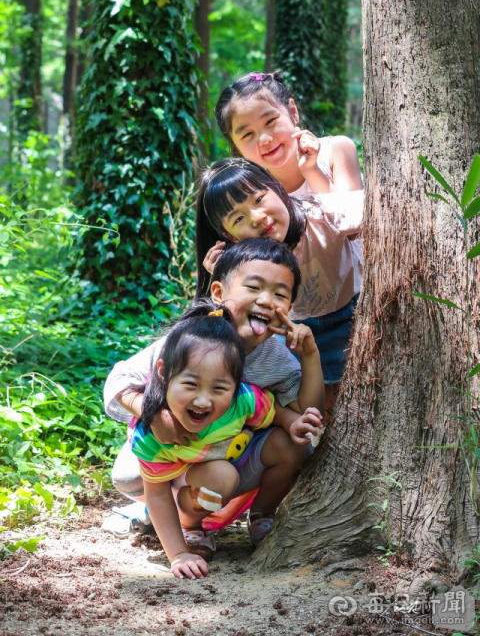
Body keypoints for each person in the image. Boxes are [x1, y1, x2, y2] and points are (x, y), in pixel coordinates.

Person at [104, 238, 324, 540]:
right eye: (254, 287)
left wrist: (310, 356)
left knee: (296, 445)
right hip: (168, 450)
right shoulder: (191, 340)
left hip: (224, 461)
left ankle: (261, 515)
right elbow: (118, 380)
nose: (266, 300)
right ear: (219, 293)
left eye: (280, 294)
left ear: (289, 308)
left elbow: (304, 415)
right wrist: (152, 413)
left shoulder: (277, 359)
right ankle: (164, 515)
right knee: (128, 477)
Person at [125, 300, 321, 580]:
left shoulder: (242, 400)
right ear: (163, 371)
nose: (203, 400)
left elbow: (275, 413)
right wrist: (178, 555)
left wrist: (294, 422)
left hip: (234, 466)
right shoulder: (153, 435)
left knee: (293, 445)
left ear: (237, 383)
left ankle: (263, 514)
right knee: (221, 475)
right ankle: (190, 526)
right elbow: (156, 495)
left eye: (219, 388)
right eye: (191, 384)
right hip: (189, 485)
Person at [197, 159, 363, 416]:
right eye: (239, 217)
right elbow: (235, 296)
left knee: (354, 400)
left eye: (258, 200)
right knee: (323, 410)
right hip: (289, 335)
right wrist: (219, 272)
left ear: (277, 188)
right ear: (230, 236)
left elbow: (366, 211)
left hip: (349, 316)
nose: (257, 218)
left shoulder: (319, 213)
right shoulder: (243, 258)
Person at [214, 71, 363, 197]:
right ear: (236, 146)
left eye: (270, 121)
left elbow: (352, 223)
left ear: (293, 111)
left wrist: (311, 170)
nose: (264, 139)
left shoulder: (337, 150)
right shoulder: (251, 192)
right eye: (247, 134)